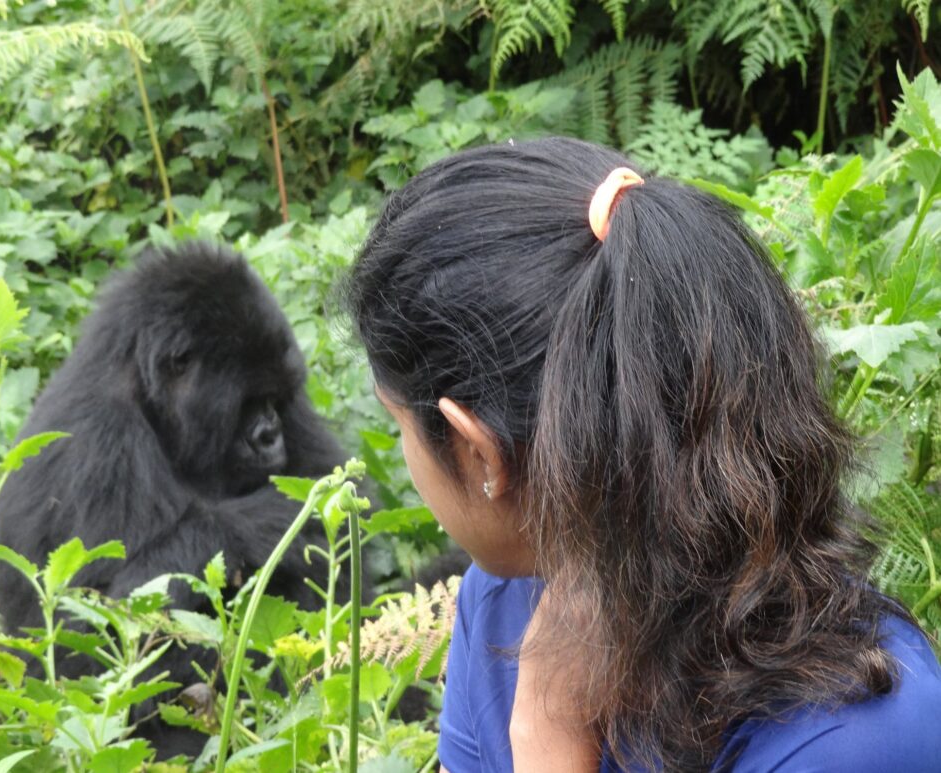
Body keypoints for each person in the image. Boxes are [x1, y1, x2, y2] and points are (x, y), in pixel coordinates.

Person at [346, 137, 941, 771]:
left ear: (476, 453)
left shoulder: (856, 739)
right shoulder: (501, 598)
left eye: (397, 422)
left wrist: (547, 744)